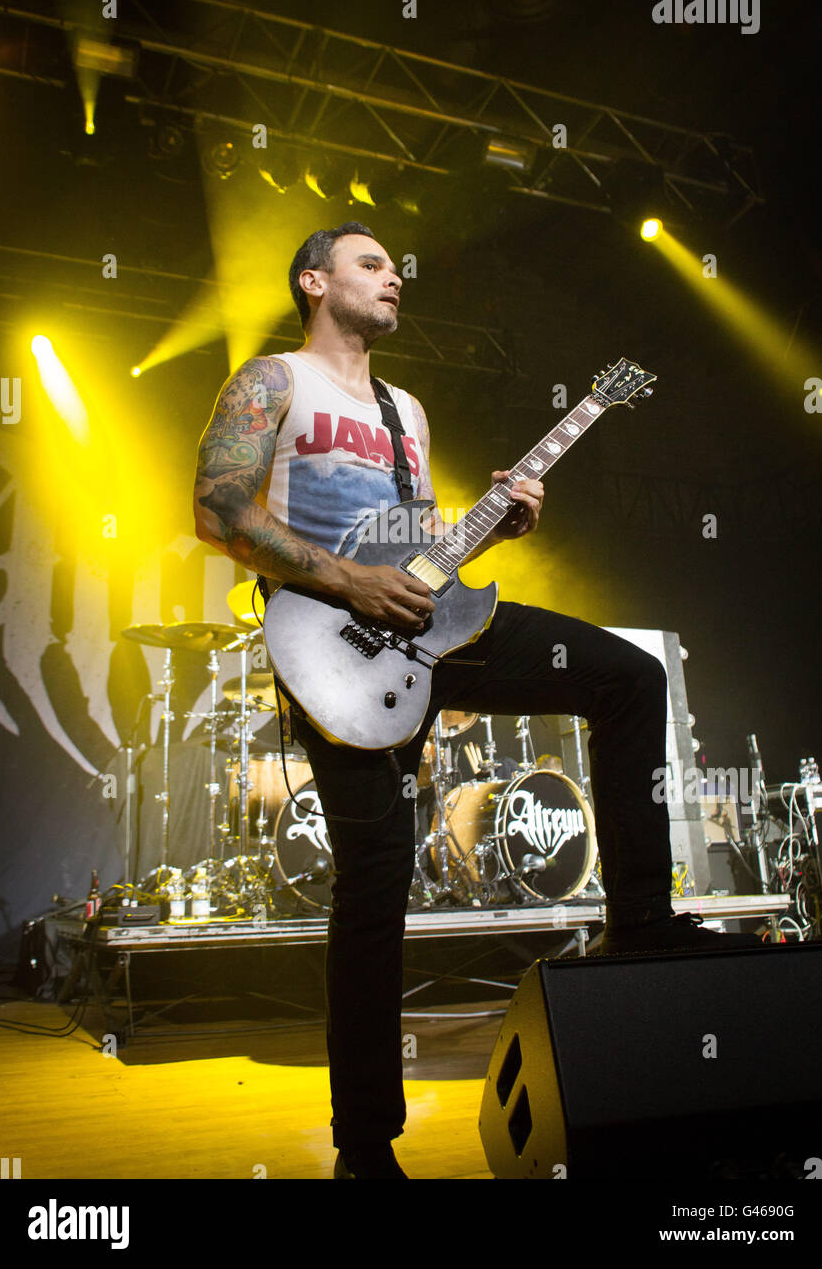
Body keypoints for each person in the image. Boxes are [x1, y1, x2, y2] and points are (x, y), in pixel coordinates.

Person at [193, 221, 762, 1180]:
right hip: (333, 643)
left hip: (434, 626)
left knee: (632, 677)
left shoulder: (406, 409)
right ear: (312, 280)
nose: (394, 279)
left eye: (396, 268)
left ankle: (640, 922)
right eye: (370, 265)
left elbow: (418, 554)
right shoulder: (272, 381)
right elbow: (218, 511)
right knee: (373, 884)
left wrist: (490, 532)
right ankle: (366, 1147)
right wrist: (348, 583)